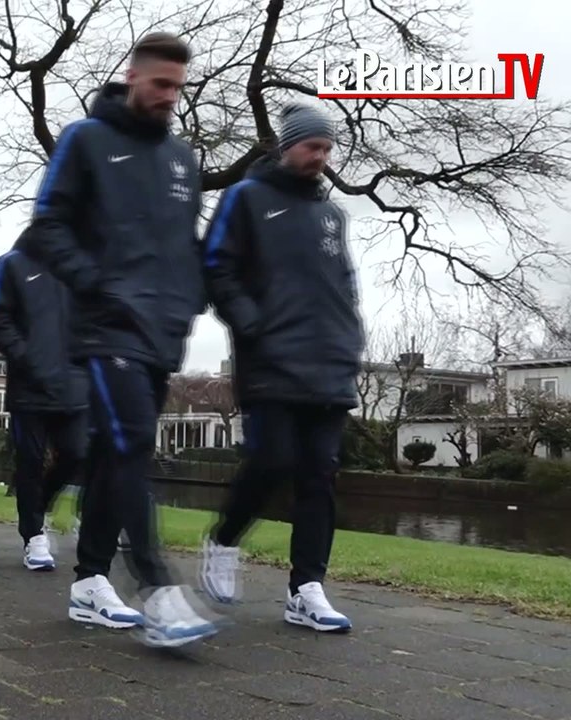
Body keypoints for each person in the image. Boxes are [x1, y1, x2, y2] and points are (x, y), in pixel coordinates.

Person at [22, 32, 218, 647]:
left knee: (113, 456)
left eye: (178, 88)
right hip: (106, 326)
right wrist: (96, 284)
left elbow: (184, 244)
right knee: (132, 443)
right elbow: (49, 223)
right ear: (132, 76)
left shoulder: (182, 159)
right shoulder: (86, 140)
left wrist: (191, 298)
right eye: (160, 83)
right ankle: (158, 591)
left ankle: (89, 582)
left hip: (160, 333)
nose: (169, 96)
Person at [200, 103, 362, 633]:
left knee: (320, 475)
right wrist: (253, 324)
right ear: (288, 146)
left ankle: (306, 589)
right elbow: (217, 267)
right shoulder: (246, 197)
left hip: (330, 360)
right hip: (271, 358)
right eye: (313, 146)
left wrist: (350, 336)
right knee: (272, 461)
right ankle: (224, 540)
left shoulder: (331, 215)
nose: (321, 157)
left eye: (327, 149)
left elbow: (344, 283)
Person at [0, 228, 89, 571]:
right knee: (29, 462)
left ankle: (40, 505)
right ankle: (33, 536)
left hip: (73, 384)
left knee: (76, 453)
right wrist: (25, 356)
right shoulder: (11, 264)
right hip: (29, 386)